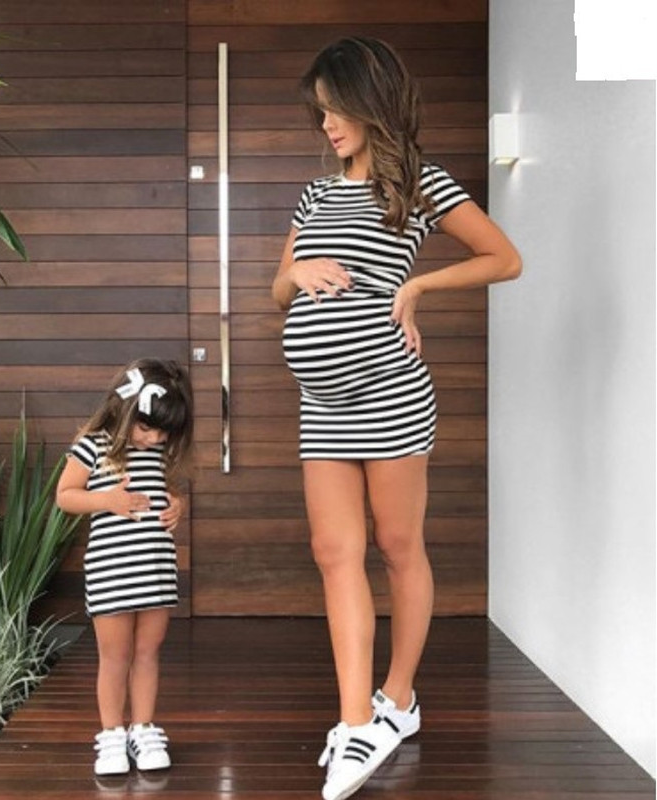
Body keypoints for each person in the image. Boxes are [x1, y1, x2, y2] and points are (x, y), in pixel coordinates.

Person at [271, 37, 521, 800]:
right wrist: (294, 272)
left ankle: (399, 699)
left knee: (398, 545)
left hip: (389, 394)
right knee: (333, 551)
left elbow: (504, 258)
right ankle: (356, 722)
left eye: (334, 109)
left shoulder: (420, 184)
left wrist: (416, 290)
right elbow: (277, 292)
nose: (325, 125)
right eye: (318, 113)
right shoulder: (315, 195)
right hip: (323, 404)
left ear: (370, 101)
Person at [55, 358, 193, 777]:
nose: (155, 438)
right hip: (112, 572)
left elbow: (167, 491)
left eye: (163, 432)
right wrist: (106, 500)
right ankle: (113, 734)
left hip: (155, 570)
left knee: (148, 653)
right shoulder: (93, 445)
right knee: (114, 656)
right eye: (147, 428)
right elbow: (65, 495)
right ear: (125, 409)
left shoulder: (158, 451)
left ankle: (143, 729)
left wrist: (177, 505)